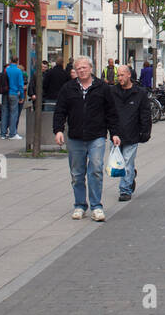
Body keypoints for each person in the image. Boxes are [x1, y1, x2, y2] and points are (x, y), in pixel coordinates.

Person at [53, 57, 119, 222]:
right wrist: (58, 130)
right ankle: (80, 205)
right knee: (77, 173)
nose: (81, 71)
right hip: (75, 137)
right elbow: (60, 110)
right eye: (78, 68)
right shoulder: (68, 88)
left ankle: (96, 206)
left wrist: (115, 133)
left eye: (84, 67)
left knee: (96, 170)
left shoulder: (102, 87)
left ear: (91, 68)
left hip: (96, 135)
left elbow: (111, 111)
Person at [110, 64, 151, 202]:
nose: (119, 78)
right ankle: (131, 175)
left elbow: (145, 113)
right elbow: (108, 112)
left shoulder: (139, 93)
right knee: (118, 164)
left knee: (127, 162)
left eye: (122, 75)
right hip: (116, 133)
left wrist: (145, 131)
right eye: (118, 75)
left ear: (129, 75)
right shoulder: (113, 92)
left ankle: (125, 190)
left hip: (132, 133)